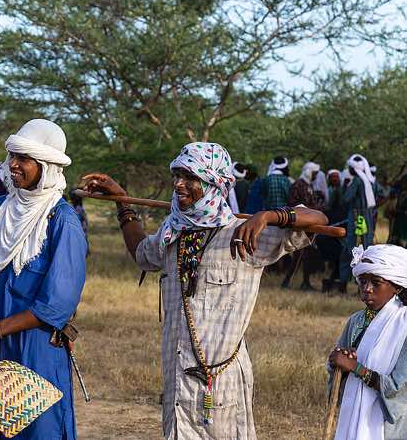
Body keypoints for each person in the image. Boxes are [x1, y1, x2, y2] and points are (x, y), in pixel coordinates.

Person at [82, 142, 327, 439]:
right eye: (177, 176)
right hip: (176, 378)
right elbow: (142, 254)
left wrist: (268, 216)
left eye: (190, 177)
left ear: (214, 183)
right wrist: (122, 202)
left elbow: (318, 220)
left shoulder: (244, 235)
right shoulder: (174, 231)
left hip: (221, 382)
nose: (178, 185)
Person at [0, 119, 87, 439]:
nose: (12, 164)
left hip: (37, 351)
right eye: (11, 156)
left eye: (23, 158)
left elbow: (55, 307)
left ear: (47, 166)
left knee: (40, 430)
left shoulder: (63, 221)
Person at [328, 244, 407, 440]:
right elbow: (338, 370)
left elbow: (399, 388)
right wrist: (338, 362)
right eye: (362, 282)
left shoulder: (404, 326)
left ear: (396, 286)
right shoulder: (357, 321)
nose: (367, 289)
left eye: (376, 283)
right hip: (355, 414)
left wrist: (357, 368)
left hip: (390, 428)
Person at [339, 154, 378, 291]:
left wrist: (344, 187)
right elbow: (383, 194)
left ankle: (343, 284)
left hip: (356, 219)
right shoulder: (371, 181)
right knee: (366, 251)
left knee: (350, 250)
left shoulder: (356, 181)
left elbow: (346, 199)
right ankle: (364, 286)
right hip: (368, 220)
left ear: (354, 169)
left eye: (350, 167)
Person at [281, 161, 323, 290]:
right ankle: (288, 282)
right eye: (314, 173)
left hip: (309, 224)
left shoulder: (308, 185)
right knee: (300, 255)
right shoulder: (298, 185)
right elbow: (293, 203)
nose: (316, 176)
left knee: (305, 255)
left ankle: (302, 282)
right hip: (301, 224)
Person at [387, 175, 407, 248]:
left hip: (404, 227)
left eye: (404, 182)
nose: (403, 184)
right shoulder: (401, 194)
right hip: (397, 225)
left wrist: (397, 212)